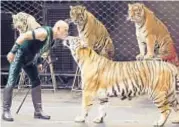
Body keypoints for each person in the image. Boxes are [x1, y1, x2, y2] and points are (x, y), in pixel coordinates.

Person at [2, 12, 69, 121]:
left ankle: (38, 111)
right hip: (20, 56)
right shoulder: (43, 32)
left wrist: (39, 62)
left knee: (36, 81)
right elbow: (23, 36)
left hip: (30, 59)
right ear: (58, 28)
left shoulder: (52, 40)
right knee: (11, 81)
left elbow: (38, 49)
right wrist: (12, 52)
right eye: (65, 30)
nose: (66, 32)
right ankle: (5, 111)